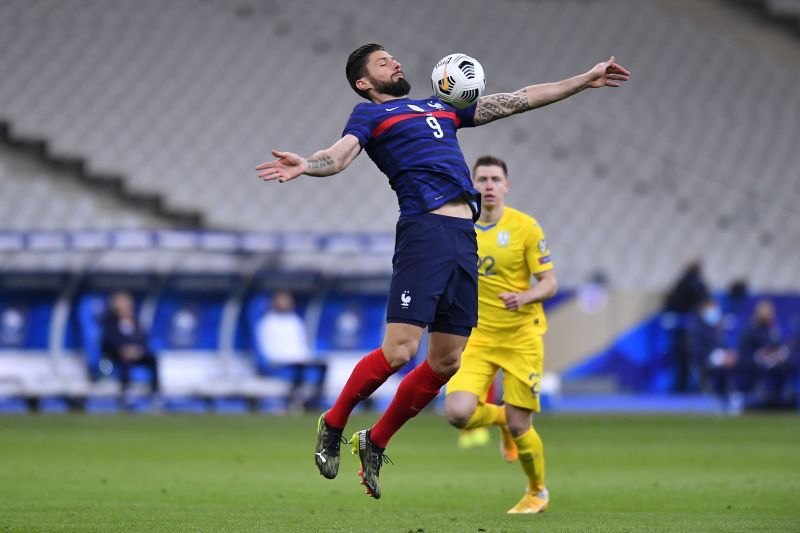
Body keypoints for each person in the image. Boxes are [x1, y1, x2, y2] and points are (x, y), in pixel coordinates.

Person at [256, 43, 629, 500]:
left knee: (448, 361)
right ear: (364, 83)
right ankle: (333, 423)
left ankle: (375, 440)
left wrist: (582, 80)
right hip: (424, 232)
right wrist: (306, 166)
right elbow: (338, 156)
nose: (394, 62)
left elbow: (519, 98)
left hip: (462, 240)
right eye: (382, 62)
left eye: (392, 57)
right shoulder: (368, 116)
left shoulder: (442, 106)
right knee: (398, 351)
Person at [444, 156, 558, 514]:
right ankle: (501, 421)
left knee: (522, 423)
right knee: (457, 413)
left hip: (520, 336)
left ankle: (537, 492)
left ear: (507, 185)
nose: (489, 185)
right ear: (472, 184)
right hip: (476, 337)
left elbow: (550, 283)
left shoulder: (525, 227)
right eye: (482, 179)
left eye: (495, 179)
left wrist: (524, 296)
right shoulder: (459, 225)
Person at [255, 290, 326, 412]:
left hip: (298, 362)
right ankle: (294, 404)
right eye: (282, 300)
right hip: (279, 364)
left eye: (287, 300)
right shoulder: (267, 322)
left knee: (322, 366)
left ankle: (312, 404)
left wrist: (305, 358)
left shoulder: (295, 321)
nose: (285, 303)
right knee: (298, 369)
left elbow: (302, 346)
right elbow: (269, 350)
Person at [100, 291, 160, 404]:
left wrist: (138, 349)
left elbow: (142, 339)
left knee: (152, 359)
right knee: (125, 359)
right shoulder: (110, 322)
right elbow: (109, 341)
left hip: (135, 353)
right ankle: (126, 391)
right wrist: (122, 349)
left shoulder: (134, 321)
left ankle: (156, 392)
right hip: (116, 355)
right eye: (122, 302)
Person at [663, 260, 710, 392]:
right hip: (687, 331)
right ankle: (683, 388)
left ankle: (685, 387)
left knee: (687, 361)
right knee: (685, 360)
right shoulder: (691, 285)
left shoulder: (685, 284)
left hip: (690, 331)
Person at [736, 299, 792, 409]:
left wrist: (778, 354)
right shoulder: (749, 332)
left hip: (772, 363)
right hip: (753, 365)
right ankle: (762, 398)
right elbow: (745, 355)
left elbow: (779, 346)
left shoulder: (772, 330)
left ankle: (782, 398)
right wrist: (760, 356)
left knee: (786, 366)